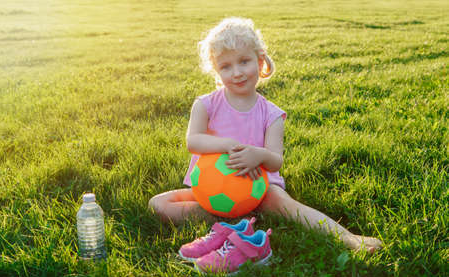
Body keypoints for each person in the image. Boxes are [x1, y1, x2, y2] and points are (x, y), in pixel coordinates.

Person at [149, 17, 382, 252]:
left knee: (289, 206)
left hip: (259, 189)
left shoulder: (271, 114)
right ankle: (228, 222)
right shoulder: (206, 105)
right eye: (226, 66)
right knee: (158, 204)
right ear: (217, 71)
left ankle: (350, 239)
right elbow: (193, 141)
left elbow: (275, 160)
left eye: (244, 61)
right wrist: (228, 144)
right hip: (212, 189)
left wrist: (257, 155)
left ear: (260, 62)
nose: (237, 72)